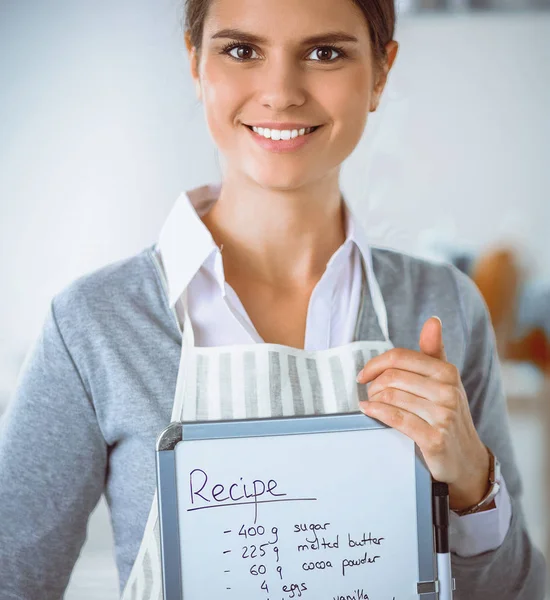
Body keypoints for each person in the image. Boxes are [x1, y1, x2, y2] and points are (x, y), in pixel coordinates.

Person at [0, 0, 546, 598]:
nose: (281, 92)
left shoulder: (444, 305)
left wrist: (471, 482)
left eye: (325, 52)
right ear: (195, 63)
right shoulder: (93, 325)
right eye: (241, 50)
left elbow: (515, 589)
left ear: (381, 74)